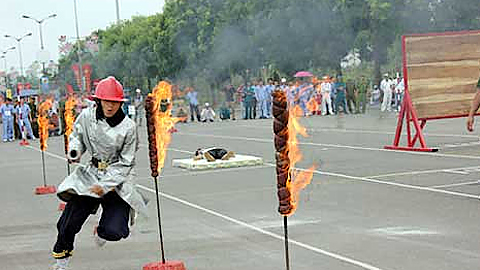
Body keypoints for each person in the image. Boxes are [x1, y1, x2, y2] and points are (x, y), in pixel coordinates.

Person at [52, 76, 147, 270]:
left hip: (118, 180)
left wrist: (104, 187)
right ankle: (61, 262)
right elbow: (77, 135)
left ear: (120, 103)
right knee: (67, 223)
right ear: (99, 101)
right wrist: (75, 150)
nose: (110, 106)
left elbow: (126, 162)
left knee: (115, 231)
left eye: (114, 102)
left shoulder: (129, 127)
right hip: (91, 174)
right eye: (106, 101)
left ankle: (103, 229)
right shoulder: (87, 116)